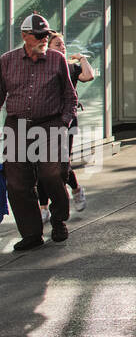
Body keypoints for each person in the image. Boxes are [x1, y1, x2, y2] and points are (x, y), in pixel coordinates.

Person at [0, 14, 79, 250]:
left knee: (52, 174)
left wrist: (64, 123)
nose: (45, 39)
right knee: (16, 182)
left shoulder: (57, 60)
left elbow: (70, 96)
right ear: (24, 36)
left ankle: (58, 220)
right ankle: (32, 234)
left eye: (47, 35)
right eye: (39, 35)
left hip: (51, 123)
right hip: (17, 125)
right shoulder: (6, 61)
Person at [37, 32, 93, 219]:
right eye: (57, 45)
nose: (62, 47)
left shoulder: (71, 67)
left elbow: (88, 76)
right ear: (48, 48)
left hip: (66, 120)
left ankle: (76, 189)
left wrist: (82, 58)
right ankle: (43, 207)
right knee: (40, 163)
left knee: (61, 163)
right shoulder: (42, 66)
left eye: (63, 44)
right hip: (43, 121)